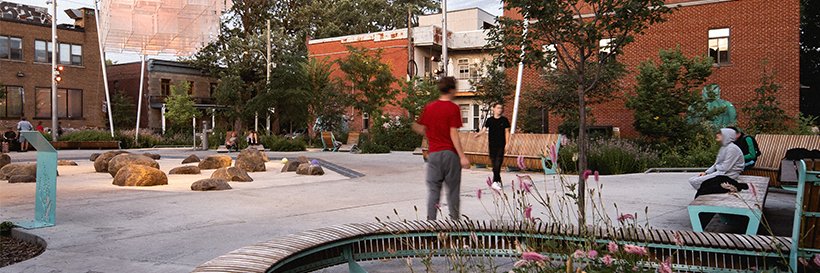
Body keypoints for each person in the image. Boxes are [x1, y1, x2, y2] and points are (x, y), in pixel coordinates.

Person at [412, 76, 471, 221]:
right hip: (450, 154)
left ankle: (430, 224)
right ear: (451, 90)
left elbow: (418, 127)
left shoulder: (429, 107)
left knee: (434, 191)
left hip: (434, 155)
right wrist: (462, 156)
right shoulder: (453, 108)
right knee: (453, 191)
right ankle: (455, 224)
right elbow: (453, 133)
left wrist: (431, 135)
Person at [475, 103, 510, 190]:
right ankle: (497, 180)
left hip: (501, 145)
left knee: (498, 162)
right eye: (498, 108)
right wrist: (478, 135)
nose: (500, 110)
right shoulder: (489, 120)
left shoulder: (504, 120)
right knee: (494, 163)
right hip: (492, 145)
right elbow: (484, 130)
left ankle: (495, 182)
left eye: (501, 108)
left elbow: (507, 132)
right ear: (493, 109)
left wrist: (507, 143)